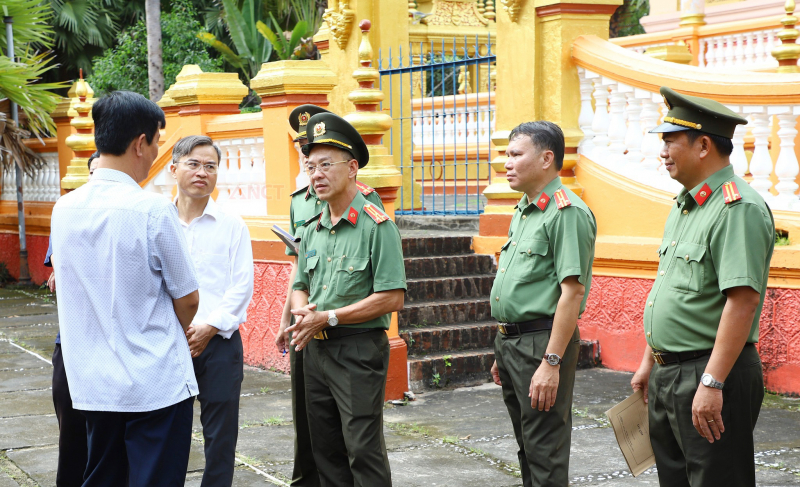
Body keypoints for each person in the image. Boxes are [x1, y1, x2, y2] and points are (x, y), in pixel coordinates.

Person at [50, 90, 200, 487]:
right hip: (154, 383)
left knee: (102, 477)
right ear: (140, 143)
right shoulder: (151, 210)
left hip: (92, 383)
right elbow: (188, 299)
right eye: (156, 144)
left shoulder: (63, 209)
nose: (156, 155)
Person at [630, 87, 774, 487]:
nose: (663, 151)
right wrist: (648, 361)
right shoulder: (686, 205)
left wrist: (712, 383)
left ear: (704, 145)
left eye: (670, 140)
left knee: (717, 479)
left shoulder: (736, 208)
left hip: (709, 371)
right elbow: (672, 291)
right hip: (668, 373)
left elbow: (742, 302)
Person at [286, 112, 406, 487]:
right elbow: (300, 281)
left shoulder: (377, 226)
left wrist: (330, 317)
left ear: (352, 168)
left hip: (356, 351)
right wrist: (301, 308)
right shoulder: (311, 228)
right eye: (310, 166)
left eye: (325, 165)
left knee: (362, 450)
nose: (316, 174)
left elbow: (391, 298)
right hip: (315, 351)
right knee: (325, 451)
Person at [488, 121, 597, 487]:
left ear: (547, 158)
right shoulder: (525, 209)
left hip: (542, 343)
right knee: (527, 446)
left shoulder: (566, 212)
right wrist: (503, 346)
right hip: (513, 343)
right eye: (507, 154)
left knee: (545, 449)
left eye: (516, 154)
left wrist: (551, 362)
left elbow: (572, 293)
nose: (506, 163)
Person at [169, 135, 254, 486]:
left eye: (210, 166)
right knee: (167, 432)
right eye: (193, 163)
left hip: (219, 344)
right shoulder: (157, 221)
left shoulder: (232, 224)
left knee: (221, 437)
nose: (202, 172)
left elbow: (241, 286)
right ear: (173, 168)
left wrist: (209, 326)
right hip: (169, 342)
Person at [45, 150, 99, 487]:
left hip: (115, 344)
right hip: (73, 343)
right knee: (73, 435)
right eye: (93, 171)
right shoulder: (68, 212)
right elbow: (56, 269)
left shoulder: (138, 214)